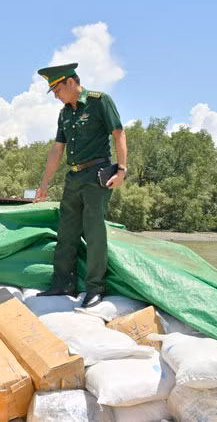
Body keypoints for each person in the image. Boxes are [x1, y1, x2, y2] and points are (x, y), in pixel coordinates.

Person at [33, 62, 127, 308]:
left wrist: (122, 169)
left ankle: (96, 288)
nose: (55, 96)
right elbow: (57, 149)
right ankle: (63, 283)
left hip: (98, 175)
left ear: (71, 82)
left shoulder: (99, 101)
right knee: (66, 232)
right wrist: (44, 184)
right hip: (73, 177)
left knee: (94, 231)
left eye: (57, 90)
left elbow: (118, 133)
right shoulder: (65, 113)